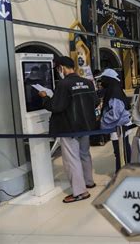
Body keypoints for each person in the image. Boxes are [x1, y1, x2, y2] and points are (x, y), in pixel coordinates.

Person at [39, 56, 98, 203]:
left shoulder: (64, 84)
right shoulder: (88, 82)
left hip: (69, 127)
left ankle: (80, 192)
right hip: (86, 126)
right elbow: (96, 102)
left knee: (72, 159)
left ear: (62, 68)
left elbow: (56, 106)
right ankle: (88, 181)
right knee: (84, 154)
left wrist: (45, 98)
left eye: (57, 68)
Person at [97, 69, 132, 172]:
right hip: (120, 126)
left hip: (118, 127)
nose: (102, 83)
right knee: (123, 149)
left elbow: (115, 113)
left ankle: (122, 172)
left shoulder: (114, 91)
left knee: (120, 151)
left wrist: (103, 121)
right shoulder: (115, 89)